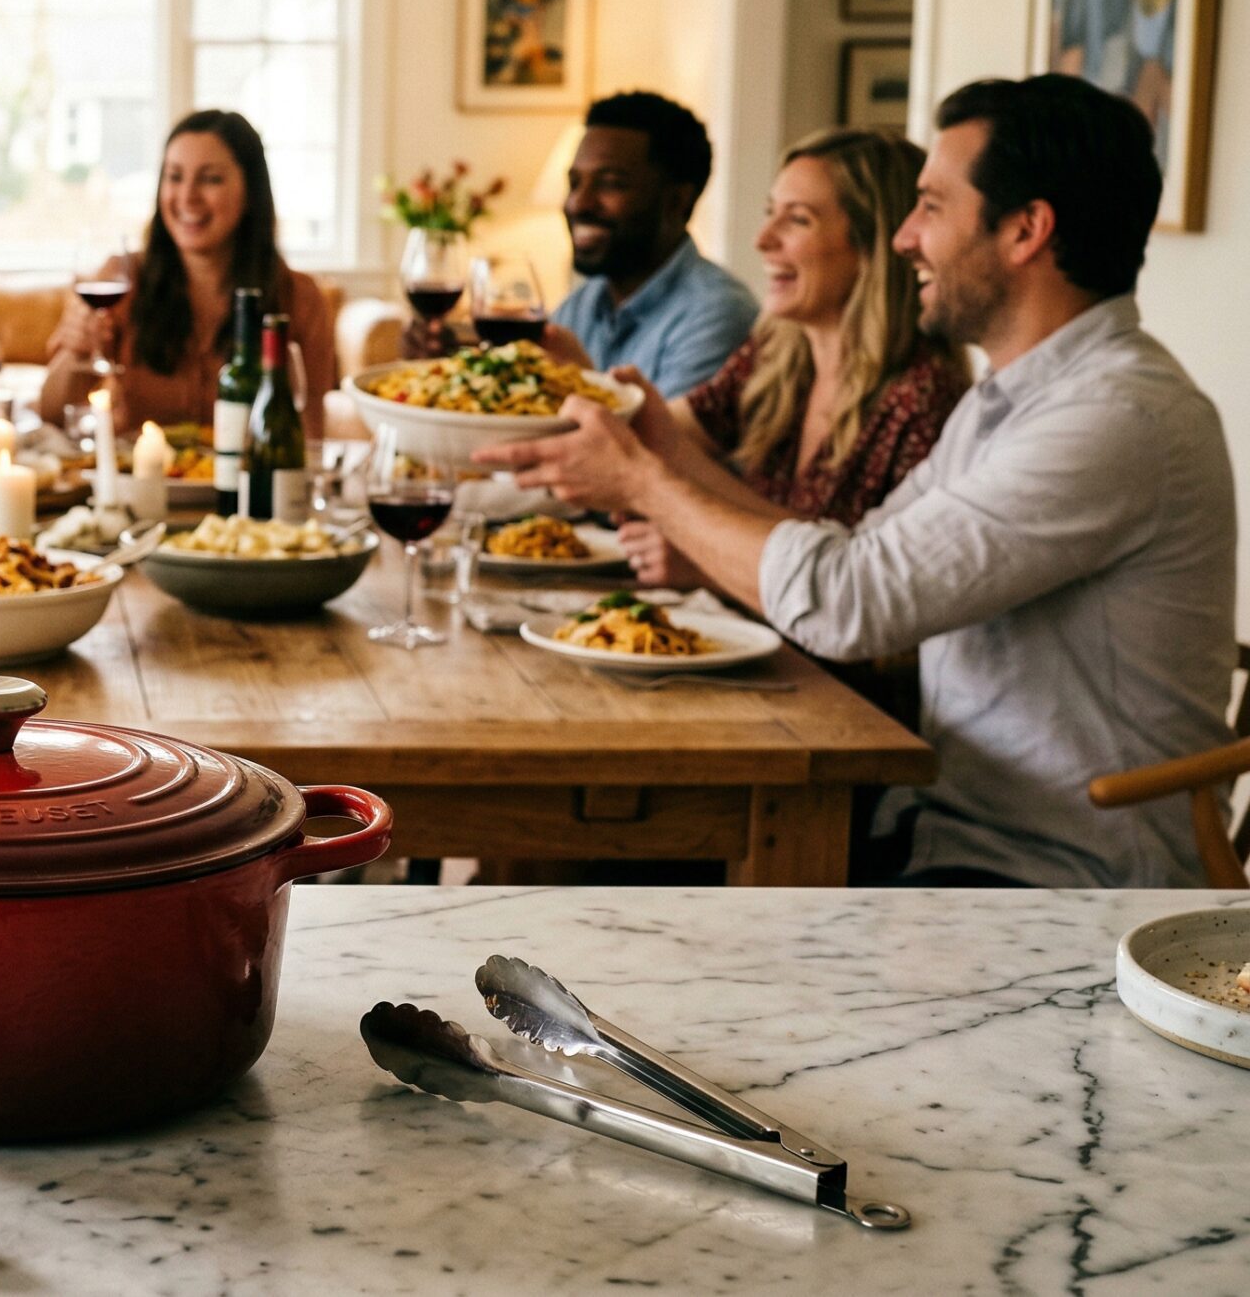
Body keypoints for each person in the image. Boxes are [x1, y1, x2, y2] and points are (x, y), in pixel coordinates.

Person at [480, 75, 1236, 889]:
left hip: (1061, 883)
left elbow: (849, 603)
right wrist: (665, 458)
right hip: (945, 833)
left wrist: (644, 481)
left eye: (933, 207)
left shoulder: (1112, 418)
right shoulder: (1012, 399)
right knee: (558, 872)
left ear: (1025, 230)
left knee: (586, 883)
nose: (905, 237)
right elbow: (856, 551)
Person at [613, 128, 968, 587]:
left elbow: (877, 606)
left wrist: (710, 565)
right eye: (769, 214)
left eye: (797, 220)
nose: (763, 239)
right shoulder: (774, 355)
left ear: (872, 246)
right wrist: (569, 381)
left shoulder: (922, 399)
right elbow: (654, 437)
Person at [38, 110, 335, 440]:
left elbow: (309, 435)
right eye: (175, 177)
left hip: (249, 488)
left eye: (210, 179)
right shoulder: (122, 279)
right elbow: (51, 414)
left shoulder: (300, 298)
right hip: (142, 484)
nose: (187, 197)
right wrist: (77, 352)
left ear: (250, 191)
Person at [545, 92, 761, 397]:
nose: (578, 203)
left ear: (676, 201)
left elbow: (663, 443)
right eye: (575, 183)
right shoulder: (580, 305)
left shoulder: (718, 314)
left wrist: (584, 384)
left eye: (610, 184)